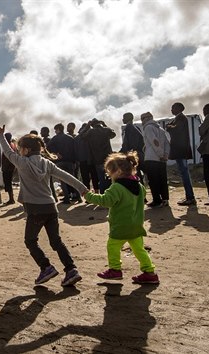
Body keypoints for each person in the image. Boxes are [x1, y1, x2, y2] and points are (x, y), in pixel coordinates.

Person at [0, 124, 87, 287]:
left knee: (30, 241)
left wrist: (1, 135)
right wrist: (83, 189)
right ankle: (71, 270)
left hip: (35, 210)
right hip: (51, 207)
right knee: (56, 241)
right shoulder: (47, 163)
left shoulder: (22, 163)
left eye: (20, 148)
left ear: (27, 150)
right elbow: (66, 176)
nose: (19, 150)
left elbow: (7, 152)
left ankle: (46, 267)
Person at [84, 151, 160, 284]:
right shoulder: (140, 186)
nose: (108, 175)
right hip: (136, 225)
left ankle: (115, 270)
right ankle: (149, 272)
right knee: (139, 250)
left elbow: (106, 201)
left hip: (120, 225)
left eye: (109, 172)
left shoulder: (117, 187)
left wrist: (88, 196)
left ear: (117, 171)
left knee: (112, 246)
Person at [166, 102, 196, 206]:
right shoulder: (179, 119)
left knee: (184, 173)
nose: (171, 110)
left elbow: (176, 130)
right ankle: (189, 196)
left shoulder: (181, 119)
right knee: (184, 173)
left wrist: (169, 127)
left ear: (178, 108)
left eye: (173, 108)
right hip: (180, 150)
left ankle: (190, 197)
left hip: (181, 150)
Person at [141, 112, 170, 208]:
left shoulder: (148, 128)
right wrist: (165, 155)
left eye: (143, 118)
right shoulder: (160, 129)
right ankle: (165, 199)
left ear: (148, 118)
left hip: (152, 158)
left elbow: (154, 142)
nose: (142, 121)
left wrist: (160, 154)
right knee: (163, 179)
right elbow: (167, 144)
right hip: (162, 160)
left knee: (153, 180)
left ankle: (157, 200)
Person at [79, 118, 116, 193]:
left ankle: (103, 195)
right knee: (111, 177)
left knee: (101, 178)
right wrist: (105, 125)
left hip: (97, 158)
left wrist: (87, 126)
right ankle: (112, 193)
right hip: (109, 158)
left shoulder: (91, 131)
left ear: (92, 125)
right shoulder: (106, 130)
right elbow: (113, 134)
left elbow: (81, 135)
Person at [47, 123, 81, 203]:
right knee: (72, 180)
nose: (55, 131)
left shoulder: (55, 138)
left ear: (58, 129)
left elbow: (48, 147)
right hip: (71, 162)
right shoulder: (70, 138)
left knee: (62, 180)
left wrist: (56, 152)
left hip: (60, 162)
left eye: (55, 130)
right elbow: (75, 150)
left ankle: (66, 198)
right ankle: (78, 197)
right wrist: (75, 161)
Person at [120, 112, 145, 183]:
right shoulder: (135, 128)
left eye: (124, 117)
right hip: (139, 153)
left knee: (135, 174)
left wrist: (121, 153)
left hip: (134, 154)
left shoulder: (129, 128)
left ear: (128, 118)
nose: (122, 119)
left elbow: (128, 144)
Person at [76, 123, 99, 192]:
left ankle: (88, 194)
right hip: (92, 160)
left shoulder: (77, 138)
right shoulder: (93, 137)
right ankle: (97, 193)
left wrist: (77, 159)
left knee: (85, 178)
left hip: (83, 160)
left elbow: (76, 150)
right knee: (95, 177)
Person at [1, 133, 17, 205]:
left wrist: (5, 168)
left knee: (8, 183)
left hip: (7, 168)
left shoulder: (9, 146)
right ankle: (11, 198)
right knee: (8, 183)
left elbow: (8, 158)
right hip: (9, 167)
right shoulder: (12, 145)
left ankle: (11, 199)